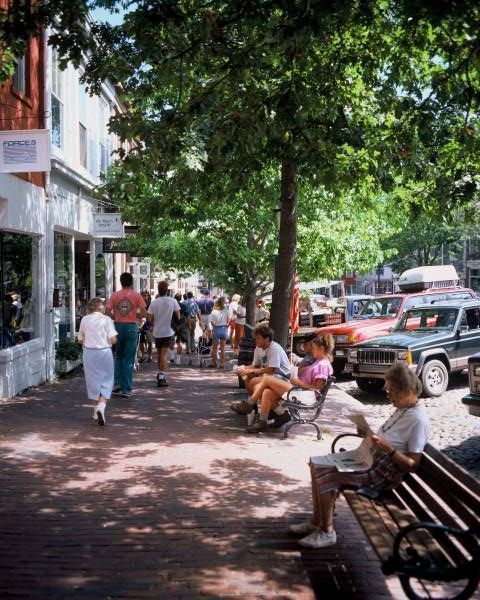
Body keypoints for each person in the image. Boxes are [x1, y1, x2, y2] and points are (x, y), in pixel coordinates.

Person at [289, 363, 430, 549]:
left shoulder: (418, 420)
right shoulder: (404, 409)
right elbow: (389, 438)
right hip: (371, 460)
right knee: (316, 464)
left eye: (392, 390)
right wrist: (367, 434)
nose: (388, 394)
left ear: (407, 391)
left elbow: (412, 464)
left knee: (326, 475)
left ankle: (327, 531)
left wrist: (388, 448)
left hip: (381, 473)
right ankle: (316, 522)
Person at [245, 334, 334, 433]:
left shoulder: (322, 365)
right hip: (300, 390)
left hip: (305, 394)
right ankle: (269, 420)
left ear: (321, 348)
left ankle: (249, 404)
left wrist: (299, 382)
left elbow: (317, 388)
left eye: (314, 348)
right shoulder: (320, 361)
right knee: (267, 392)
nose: (312, 350)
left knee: (267, 378)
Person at [230, 324, 291, 414]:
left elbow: (271, 370)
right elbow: (255, 365)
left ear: (266, 339)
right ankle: (253, 407)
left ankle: (250, 404)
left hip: (282, 378)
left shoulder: (274, 348)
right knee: (247, 376)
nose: (256, 341)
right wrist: (242, 368)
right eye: (256, 338)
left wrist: (251, 370)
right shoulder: (258, 348)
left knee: (254, 382)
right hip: (269, 376)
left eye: (258, 338)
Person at [106, 272, 147, 398]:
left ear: (121, 282)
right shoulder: (136, 295)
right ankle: (127, 389)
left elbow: (107, 311)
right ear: (131, 283)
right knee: (129, 359)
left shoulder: (115, 295)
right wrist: (135, 316)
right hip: (131, 327)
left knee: (118, 356)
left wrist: (116, 316)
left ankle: (117, 384)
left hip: (118, 326)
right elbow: (144, 313)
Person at [78, 297, 117, 426]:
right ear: (101, 308)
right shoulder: (107, 320)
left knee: (92, 380)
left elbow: (80, 339)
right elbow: (113, 339)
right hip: (104, 352)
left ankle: (95, 411)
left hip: (89, 352)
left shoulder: (84, 319)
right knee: (107, 380)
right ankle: (101, 406)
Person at [148, 281, 181, 387]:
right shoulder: (173, 301)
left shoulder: (154, 302)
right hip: (168, 331)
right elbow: (178, 316)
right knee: (164, 355)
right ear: (167, 290)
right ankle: (161, 377)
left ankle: (160, 373)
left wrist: (153, 324)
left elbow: (149, 318)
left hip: (157, 332)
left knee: (159, 354)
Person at [209, 296, 230, 368]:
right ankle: (222, 363)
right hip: (224, 328)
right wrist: (227, 325)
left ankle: (214, 363)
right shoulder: (226, 310)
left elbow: (211, 322)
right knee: (223, 348)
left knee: (215, 348)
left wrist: (215, 325)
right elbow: (229, 320)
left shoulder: (214, 311)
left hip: (216, 329)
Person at [139, 290, 153, 362]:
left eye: (146, 295)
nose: (145, 297)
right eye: (144, 295)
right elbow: (137, 314)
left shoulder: (151, 304)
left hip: (149, 325)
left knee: (150, 341)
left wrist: (152, 326)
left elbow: (154, 316)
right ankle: (143, 356)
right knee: (141, 342)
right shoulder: (139, 304)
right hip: (141, 325)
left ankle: (150, 356)